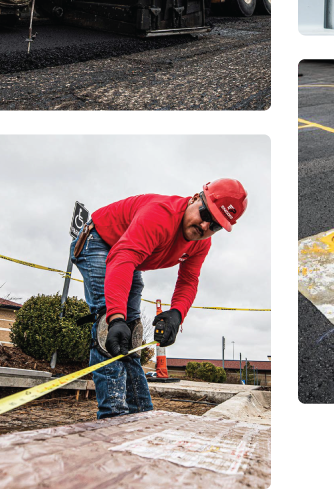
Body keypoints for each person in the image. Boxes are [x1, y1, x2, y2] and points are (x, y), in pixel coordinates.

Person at [70, 178, 248, 419]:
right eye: (205, 214)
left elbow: (188, 281)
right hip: (99, 242)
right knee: (108, 325)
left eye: (214, 226)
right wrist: (115, 317)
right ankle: (112, 419)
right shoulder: (160, 215)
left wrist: (177, 314)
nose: (205, 226)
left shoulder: (200, 244)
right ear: (196, 198)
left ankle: (141, 415)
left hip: (129, 257)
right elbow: (122, 257)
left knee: (131, 333)